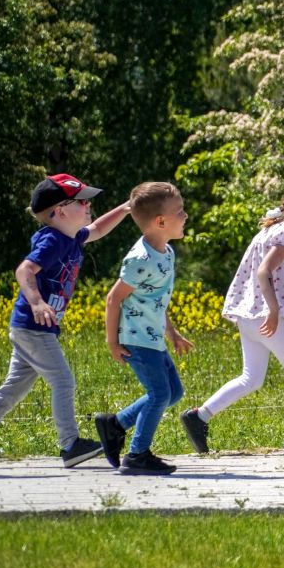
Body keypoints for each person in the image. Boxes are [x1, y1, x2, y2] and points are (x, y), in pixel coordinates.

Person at [180, 182, 284, 456]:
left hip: (248, 316)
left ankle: (199, 416)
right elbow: (264, 272)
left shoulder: (272, 229)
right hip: (267, 316)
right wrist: (274, 310)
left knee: (251, 378)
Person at [0, 175, 130, 467]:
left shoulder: (71, 237)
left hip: (32, 328)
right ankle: (70, 445)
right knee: (63, 381)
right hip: (34, 327)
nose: (88, 205)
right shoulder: (53, 240)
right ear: (59, 211)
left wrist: (124, 208)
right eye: (81, 201)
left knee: (11, 392)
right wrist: (36, 301)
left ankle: (70, 445)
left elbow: (97, 229)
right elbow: (24, 270)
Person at [94, 182, 195, 475]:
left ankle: (116, 424)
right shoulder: (140, 259)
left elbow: (156, 299)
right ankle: (137, 456)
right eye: (180, 211)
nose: (186, 216)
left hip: (153, 338)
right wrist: (112, 342)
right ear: (160, 222)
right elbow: (113, 299)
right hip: (136, 339)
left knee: (173, 392)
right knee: (159, 395)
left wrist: (172, 333)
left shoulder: (166, 252)